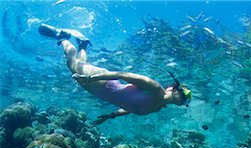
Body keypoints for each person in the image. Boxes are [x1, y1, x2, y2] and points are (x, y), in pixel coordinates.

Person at [38, 24, 192, 124]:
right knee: (72, 64)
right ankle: (62, 37)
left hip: (95, 89)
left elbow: (131, 108)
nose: (185, 100)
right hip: (102, 82)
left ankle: (83, 44)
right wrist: (91, 78)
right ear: (173, 87)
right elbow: (123, 75)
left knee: (80, 64)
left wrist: (111, 116)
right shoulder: (154, 87)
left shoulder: (158, 107)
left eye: (187, 100)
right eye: (186, 94)